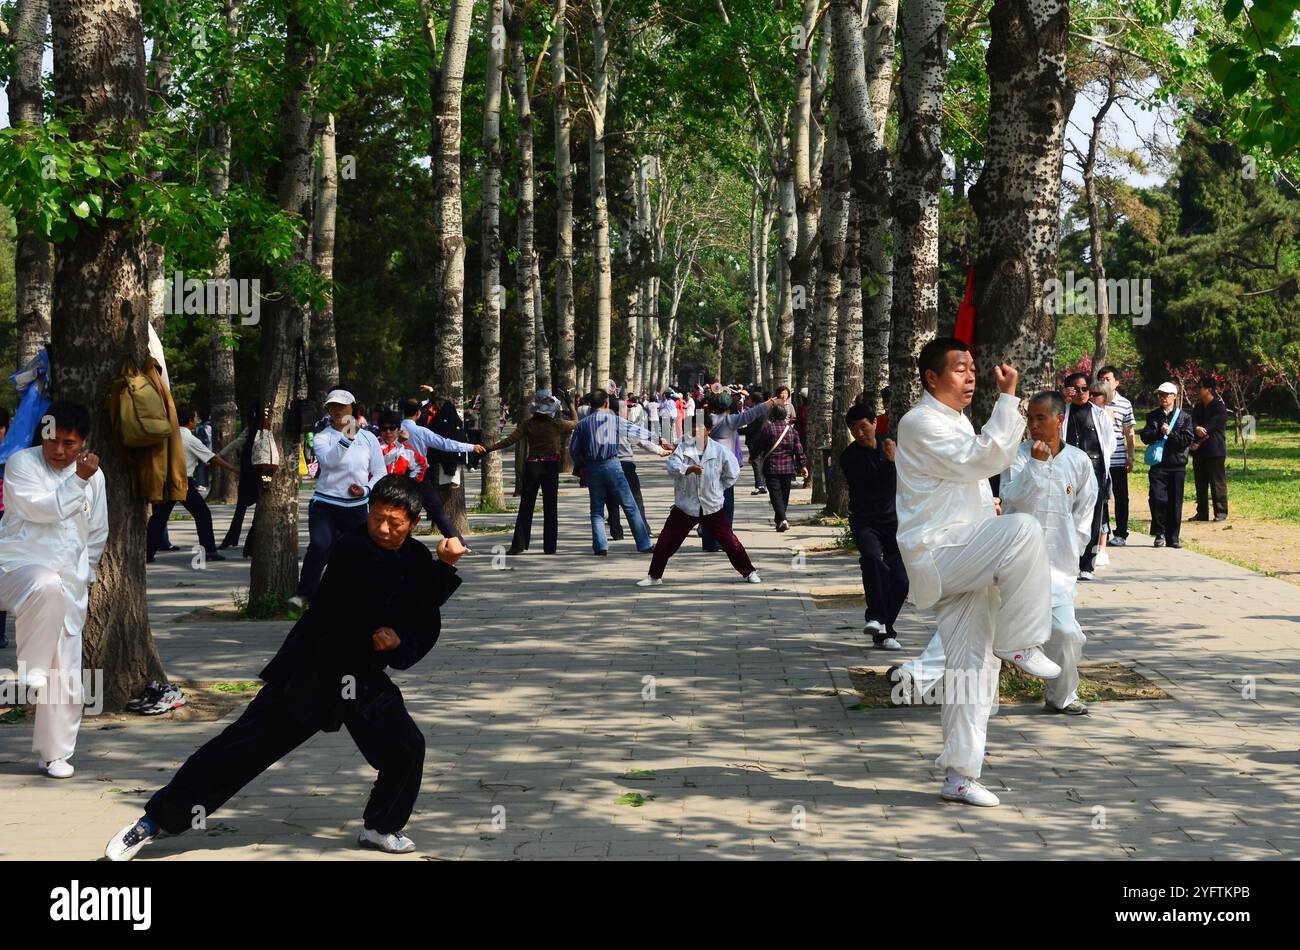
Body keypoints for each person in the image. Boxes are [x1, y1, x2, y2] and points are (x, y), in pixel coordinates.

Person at [105, 476, 466, 860]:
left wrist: (405, 632)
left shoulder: (413, 559)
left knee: (406, 747)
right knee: (240, 748)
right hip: (312, 670)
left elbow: (419, 618)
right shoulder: (353, 546)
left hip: (360, 678)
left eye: (394, 523)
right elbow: (391, 597)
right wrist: (440, 572)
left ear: (413, 524)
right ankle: (152, 822)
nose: (382, 528)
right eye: (377, 517)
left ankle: (381, 826)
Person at [894, 338, 1059, 808]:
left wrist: (988, 505)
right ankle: (1020, 640)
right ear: (931, 377)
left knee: (972, 672)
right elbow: (986, 458)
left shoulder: (956, 420)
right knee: (1024, 530)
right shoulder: (920, 421)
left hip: (966, 555)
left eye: (973, 369)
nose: (971, 378)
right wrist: (1009, 399)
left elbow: (969, 474)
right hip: (941, 552)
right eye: (960, 369)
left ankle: (959, 776)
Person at [0, 402, 108, 779]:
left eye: (69, 442)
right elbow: (42, 509)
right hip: (15, 570)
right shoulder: (21, 465)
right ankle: (29, 673)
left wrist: (87, 575)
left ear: (84, 442)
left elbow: (97, 532)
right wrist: (77, 480)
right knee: (44, 583)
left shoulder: (96, 476)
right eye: (52, 440)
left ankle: (55, 754)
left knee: (66, 672)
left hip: (69, 581)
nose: (59, 450)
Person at [998, 391, 1099, 715]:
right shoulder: (1018, 457)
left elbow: (1085, 513)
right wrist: (1037, 468)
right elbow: (1015, 501)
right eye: (1030, 418)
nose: (1034, 425)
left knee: (1066, 632)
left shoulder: (1079, 461)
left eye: (1041, 418)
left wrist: (1076, 547)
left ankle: (1062, 695)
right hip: (1019, 565)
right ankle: (963, 691)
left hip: (1059, 566)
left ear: (1060, 419)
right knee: (989, 632)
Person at [292, 389, 387, 607]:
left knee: (361, 552)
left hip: (356, 507)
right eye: (332, 406)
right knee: (320, 545)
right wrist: (347, 438)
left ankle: (356, 597)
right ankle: (304, 595)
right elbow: (329, 463)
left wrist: (365, 489)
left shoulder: (369, 437)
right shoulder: (322, 437)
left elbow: (380, 471)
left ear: (353, 408)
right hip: (325, 504)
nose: (337, 410)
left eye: (342, 406)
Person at [637, 424, 760, 586]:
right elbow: (671, 467)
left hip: (712, 505)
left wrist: (719, 487)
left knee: (729, 541)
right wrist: (688, 469)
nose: (696, 434)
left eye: (700, 430)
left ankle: (749, 572)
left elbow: (733, 473)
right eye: (693, 431)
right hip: (686, 505)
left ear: (708, 431)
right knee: (666, 540)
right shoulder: (683, 448)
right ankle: (654, 576)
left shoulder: (719, 450)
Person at [840, 404, 908, 650]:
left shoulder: (889, 445)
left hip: (894, 523)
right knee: (871, 559)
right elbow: (871, 485)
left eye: (863, 426)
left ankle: (885, 630)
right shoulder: (849, 457)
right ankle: (876, 616)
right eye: (854, 429)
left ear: (874, 424)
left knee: (901, 581)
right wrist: (891, 464)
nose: (859, 433)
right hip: (865, 521)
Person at [483, 390, 579, 555]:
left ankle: (518, 545)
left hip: (532, 466)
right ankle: (549, 547)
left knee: (526, 506)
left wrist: (489, 448)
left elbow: (509, 440)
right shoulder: (557, 424)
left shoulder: (528, 425)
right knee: (551, 508)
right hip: (550, 467)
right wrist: (570, 403)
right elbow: (576, 422)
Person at [146, 404, 241, 563]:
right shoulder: (190, 439)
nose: (196, 421)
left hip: (165, 481)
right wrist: (234, 469)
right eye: (195, 418)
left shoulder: (167, 435)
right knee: (202, 514)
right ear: (190, 421)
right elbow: (213, 459)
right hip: (183, 482)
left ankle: (147, 553)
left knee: (159, 518)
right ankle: (209, 550)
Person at [569, 390, 657, 555]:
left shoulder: (582, 424)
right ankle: (644, 544)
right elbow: (638, 432)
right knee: (629, 505)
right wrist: (662, 442)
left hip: (592, 468)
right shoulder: (614, 420)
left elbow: (573, 450)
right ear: (606, 403)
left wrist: (582, 465)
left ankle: (601, 547)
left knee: (596, 509)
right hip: (612, 464)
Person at [401, 397, 485, 546]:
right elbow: (445, 444)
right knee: (438, 513)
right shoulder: (421, 431)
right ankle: (459, 544)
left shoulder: (394, 430)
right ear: (418, 413)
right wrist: (471, 447)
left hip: (398, 477)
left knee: (401, 513)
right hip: (420, 477)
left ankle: (398, 544)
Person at [702, 392, 777, 550]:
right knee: (727, 506)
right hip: (726, 469)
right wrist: (770, 402)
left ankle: (709, 542)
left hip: (707, 468)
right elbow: (752, 413)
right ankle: (724, 539)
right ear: (730, 406)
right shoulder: (732, 420)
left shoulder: (705, 420)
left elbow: (693, 441)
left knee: (708, 505)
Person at [1060, 372, 1113, 580]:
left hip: (1095, 471)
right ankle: (1068, 561)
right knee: (1067, 514)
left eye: (1085, 389)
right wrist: (1061, 399)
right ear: (1068, 391)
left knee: (1093, 517)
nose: (1081, 393)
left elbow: (1109, 444)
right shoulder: (1061, 413)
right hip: (1068, 471)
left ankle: (1087, 566)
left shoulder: (1100, 415)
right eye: (1076, 389)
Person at [1141, 381, 1195, 548]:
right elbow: (1145, 436)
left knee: (1175, 502)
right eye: (1160, 394)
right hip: (1158, 465)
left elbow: (1187, 440)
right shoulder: (1152, 416)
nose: (1162, 397)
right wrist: (1158, 432)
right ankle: (1159, 533)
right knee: (1157, 499)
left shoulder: (1184, 417)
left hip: (1177, 465)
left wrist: (1171, 434)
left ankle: (1174, 537)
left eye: (1166, 394)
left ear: (1174, 397)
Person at [753, 402, 808, 532]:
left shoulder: (768, 429)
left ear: (772, 415)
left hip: (771, 467)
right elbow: (798, 449)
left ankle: (782, 520)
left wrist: (753, 456)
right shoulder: (792, 431)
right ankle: (781, 520)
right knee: (784, 495)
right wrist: (803, 465)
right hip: (788, 468)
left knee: (775, 495)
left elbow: (759, 446)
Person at [1096, 367, 1135, 546]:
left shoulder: (1125, 404)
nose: (1104, 382)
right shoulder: (1094, 402)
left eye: (1107, 379)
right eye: (1101, 379)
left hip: (1118, 458)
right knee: (1100, 496)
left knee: (1121, 497)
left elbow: (1129, 432)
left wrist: (1131, 456)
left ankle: (1121, 533)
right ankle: (1103, 530)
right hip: (1098, 459)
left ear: (1116, 382)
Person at [218, 402, 263, 554]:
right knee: (261, 505)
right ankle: (250, 544)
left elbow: (237, 442)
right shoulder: (265, 428)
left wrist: (220, 455)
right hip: (259, 471)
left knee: (241, 507)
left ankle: (232, 537)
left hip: (246, 470)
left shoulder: (250, 428)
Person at [1189, 375, 1229, 522]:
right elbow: (1191, 422)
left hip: (1214, 450)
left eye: (1200, 388)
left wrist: (1200, 432)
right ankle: (1202, 513)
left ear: (1209, 389)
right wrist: (1195, 428)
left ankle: (1221, 512)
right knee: (1200, 484)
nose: (1197, 391)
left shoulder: (1219, 407)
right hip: (1199, 451)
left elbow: (1212, 427)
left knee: (1217, 483)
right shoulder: (1198, 407)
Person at [1088, 380, 1117, 568]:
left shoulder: (1106, 414)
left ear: (1105, 396)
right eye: (1091, 393)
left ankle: (1102, 548)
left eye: (1096, 394)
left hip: (1101, 467)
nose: (1091, 397)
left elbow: (1109, 443)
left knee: (1102, 509)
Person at [378, 410, 429, 481]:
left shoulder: (406, 448)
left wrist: (410, 484)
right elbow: (383, 462)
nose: (388, 432)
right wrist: (398, 443)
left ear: (399, 430)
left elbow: (422, 465)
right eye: (384, 428)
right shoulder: (374, 444)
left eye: (392, 428)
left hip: (397, 490)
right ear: (380, 430)